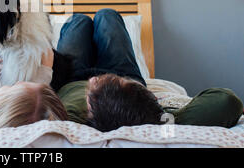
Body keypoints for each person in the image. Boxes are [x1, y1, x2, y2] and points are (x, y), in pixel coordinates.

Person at [54, 10, 243, 132]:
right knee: (108, 16)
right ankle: (121, 83)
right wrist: (160, 118)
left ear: (91, 112)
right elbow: (226, 101)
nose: (96, 79)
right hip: (124, 77)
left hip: (73, 77)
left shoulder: (71, 119)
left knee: (79, 20)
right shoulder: (155, 119)